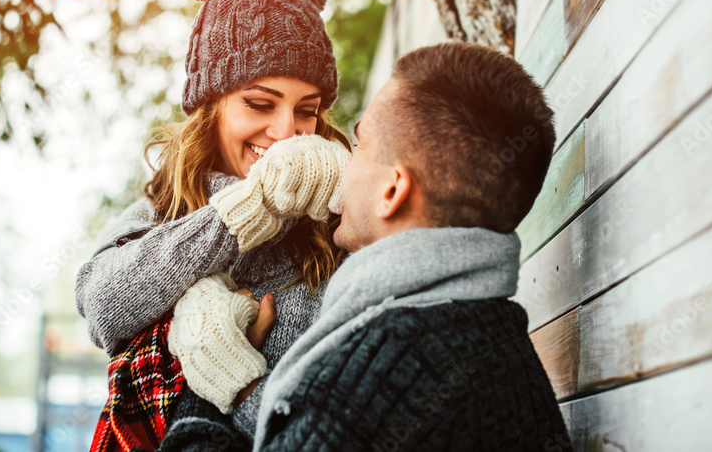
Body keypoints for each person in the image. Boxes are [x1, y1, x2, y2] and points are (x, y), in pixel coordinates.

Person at [159, 41, 573, 451]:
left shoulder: (382, 368)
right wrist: (249, 391)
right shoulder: (496, 336)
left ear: (392, 191)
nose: (340, 166)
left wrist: (207, 385)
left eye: (358, 146)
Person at [75, 0, 353, 450]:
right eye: (260, 103)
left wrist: (238, 385)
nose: (286, 132)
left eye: (307, 111)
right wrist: (253, 205)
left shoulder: (340, 224)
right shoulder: (164, 208)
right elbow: (103, 306)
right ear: (212, 104)